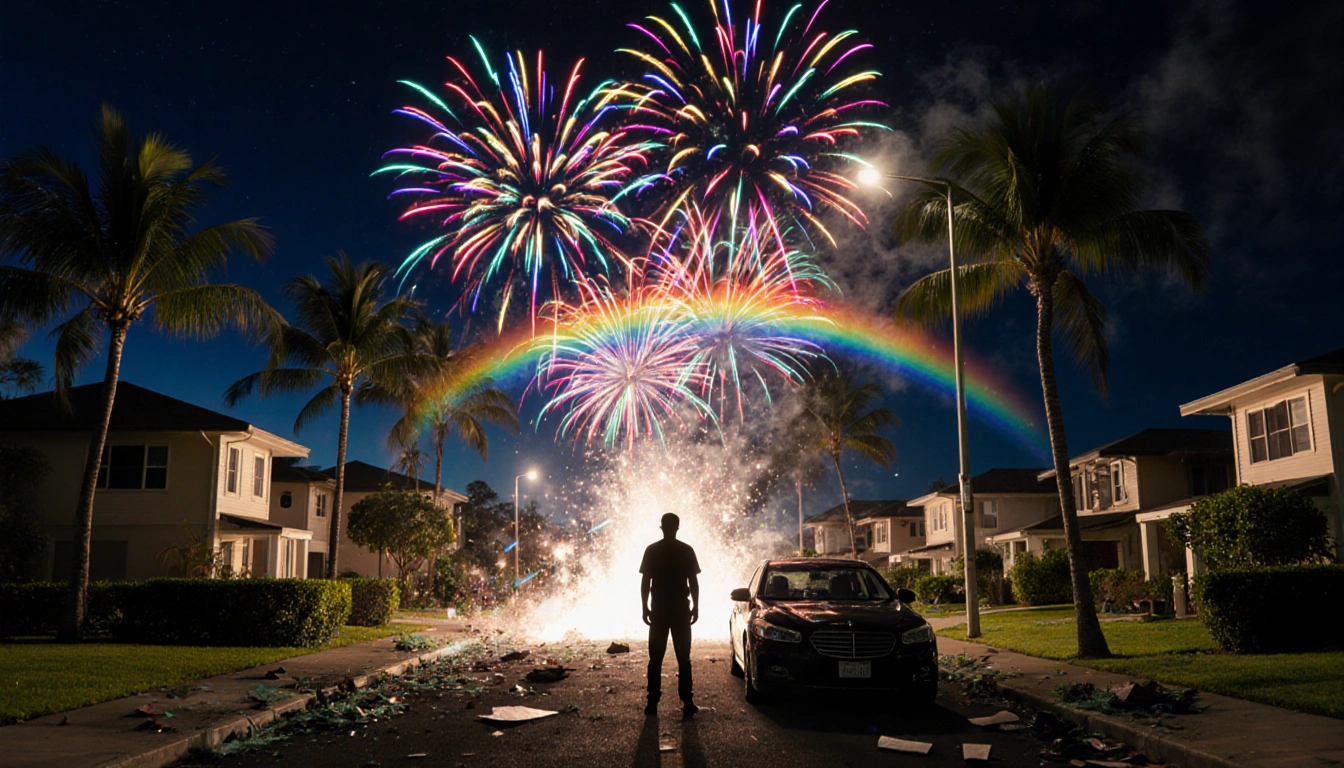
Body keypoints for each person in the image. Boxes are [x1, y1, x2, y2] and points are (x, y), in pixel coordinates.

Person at [639, 512, 701, 717]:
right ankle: (687, 701)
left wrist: (644, 607)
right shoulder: (686, 550)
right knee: (684, 658)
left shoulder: (652, 550)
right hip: (680, 610)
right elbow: (693, 582)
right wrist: (696, 606)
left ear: (661, 527)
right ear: (677, 527)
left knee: (655, 658)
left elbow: (645, 582)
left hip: (659, 610)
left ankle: (652, 703)